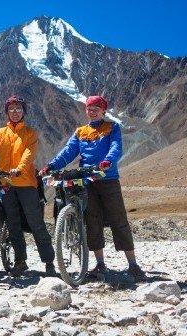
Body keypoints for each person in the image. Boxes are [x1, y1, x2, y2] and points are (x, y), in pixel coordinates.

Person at [39, 95, 146, 280]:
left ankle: (133, 264)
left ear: (104, 110)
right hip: (87, 181)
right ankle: (100, 264)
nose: (92, 111)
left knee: (118, 219)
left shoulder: (112, 127)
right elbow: (69, 151)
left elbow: (116, 148)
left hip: (108, 178)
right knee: (92, 221)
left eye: (97, 108)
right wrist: (52, 165)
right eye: (89, 108)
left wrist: (108, 161)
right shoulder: (80, 132)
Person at [0, 96, 56, 277]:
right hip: (6, 184)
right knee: (12, 223)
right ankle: (20, 261)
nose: (15, 112)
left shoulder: (30, 133)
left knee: (36, 223)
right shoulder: (1, 133)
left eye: (18, 109)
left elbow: (29, 154)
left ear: (24, 112)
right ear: (7, 112)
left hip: (26, 183)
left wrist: (20, 169)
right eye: (11, 109)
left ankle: (49, 261)